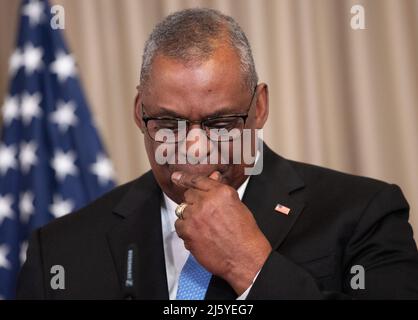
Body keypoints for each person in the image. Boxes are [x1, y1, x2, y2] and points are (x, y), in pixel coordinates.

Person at [17, 8, 418, 300]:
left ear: (259, 107)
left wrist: (253, 267)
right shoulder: (59, 250)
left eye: (221, 124)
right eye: (169, 123)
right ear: (140, 112)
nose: (195, 147)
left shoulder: (365, 214)